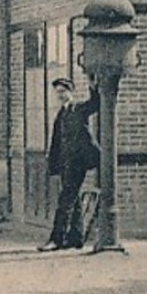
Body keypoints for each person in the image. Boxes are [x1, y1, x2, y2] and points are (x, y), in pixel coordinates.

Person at [41, 76, 100, 251]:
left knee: (65, 201)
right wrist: (54, 165)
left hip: (78, 163)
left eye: (63, 92)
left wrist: (92, 85)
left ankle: (56, 239)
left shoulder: (80, 109)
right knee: (73, 202)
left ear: (71, 92)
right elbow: (56, 142)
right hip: (66, 164)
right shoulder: (61, 114)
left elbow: (95, 104)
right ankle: (76, 238)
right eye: (58, 92)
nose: (60, 95)